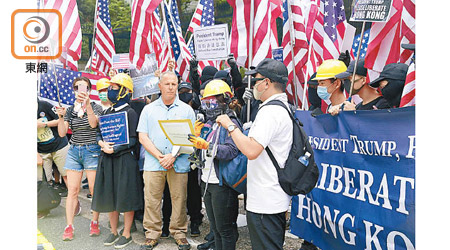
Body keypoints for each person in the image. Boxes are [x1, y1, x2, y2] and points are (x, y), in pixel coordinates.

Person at [215, 58, 292, 250]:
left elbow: (251, 150)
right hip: (272, 196)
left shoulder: (271, 112)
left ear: (267, 82)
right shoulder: (282, 108)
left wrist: (230, 126)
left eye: (256, 80)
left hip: (266, 200)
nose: (254, 85)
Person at [138, 71, 195, 250]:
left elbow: (191, 137)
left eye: (174, 84)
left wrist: (173, 156)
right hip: (154, 162)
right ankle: (152, 234)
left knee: (179, 199)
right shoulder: (149, 109)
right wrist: (159, 156)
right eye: (167, 84)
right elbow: (143, 136)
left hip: (178, 162)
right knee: (152, 199)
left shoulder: (186, 110)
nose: (171, 87)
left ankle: (179, 233)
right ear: (160, 86)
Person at [91, 73, 144, 248]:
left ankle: (127, 233)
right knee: (110, 196)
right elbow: (99, 132)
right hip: (107, 159)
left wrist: (115, 148)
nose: (109, 92)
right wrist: (101, 143)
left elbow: (133, 139)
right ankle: (113, 231)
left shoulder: (130, 112)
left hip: (123, 160)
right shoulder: (107, 112)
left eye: (113, 88)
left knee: (125, 197)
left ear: (123, 91)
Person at [188, 80, 241, 250]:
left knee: (225, 230)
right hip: (206, 180)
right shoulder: (210, 123)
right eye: (205, 103)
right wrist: (197, 138)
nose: (207, 107)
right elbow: (199, 153)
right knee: (215, 228)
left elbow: (232, 151)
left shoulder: (231, 123)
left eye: (211, 102)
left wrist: (208, 146)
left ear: (224, 101)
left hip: (221, 185)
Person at [56, 77, 103, 241]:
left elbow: (93, 125)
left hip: (92, 150)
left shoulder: (96, 107)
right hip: (74, 150)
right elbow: (62, 133)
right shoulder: (69, 109)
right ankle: (69, 225)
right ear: (73, 90)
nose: (80, 90)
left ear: (89, 90)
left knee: (93, 189)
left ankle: (95, 222)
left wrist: (88, 105)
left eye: (84, 87)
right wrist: (61, 117)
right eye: (77, 87)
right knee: (73, 190)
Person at [37, 99, 70, 197]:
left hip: (59, 145)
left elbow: (60, 120)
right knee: (43, 180)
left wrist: (43, 124)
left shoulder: (44, 105)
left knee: (66, 175)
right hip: (42, 151)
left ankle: (74, 202)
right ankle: (45, 205)